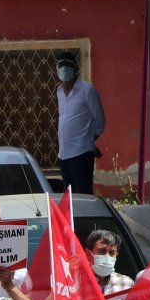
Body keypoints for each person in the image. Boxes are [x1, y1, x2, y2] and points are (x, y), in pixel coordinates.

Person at [54, 50, 105, 197]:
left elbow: (99, 119)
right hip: (64, 154)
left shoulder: (87, 90)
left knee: (83, 194)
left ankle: (86, 220)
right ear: (56, 69)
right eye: (61, 65)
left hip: (81, 153)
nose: (64, 68)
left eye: (68, 65)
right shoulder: (59, 91)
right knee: (70, 196)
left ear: (76, 68)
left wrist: (89, 139)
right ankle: (73, 221)